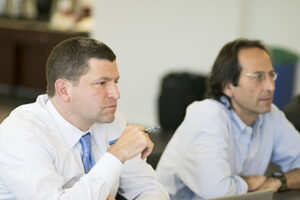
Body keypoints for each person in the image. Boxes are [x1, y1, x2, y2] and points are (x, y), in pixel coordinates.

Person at [0, 37, 169, 200]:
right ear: (64, 90)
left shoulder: (112, 121)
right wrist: (117, 154)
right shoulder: (21, 133)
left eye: (115, 82)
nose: (116, 94)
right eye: (102, 83)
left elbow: (148, 188)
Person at [156, 38, 300, 199]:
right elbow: (218, 193)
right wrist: (250, 183)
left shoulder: (271, 116)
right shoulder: (207, 114)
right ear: (228, 86)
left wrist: (278, 181)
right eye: (258, 77)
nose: (271, 86)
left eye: (271, 75)